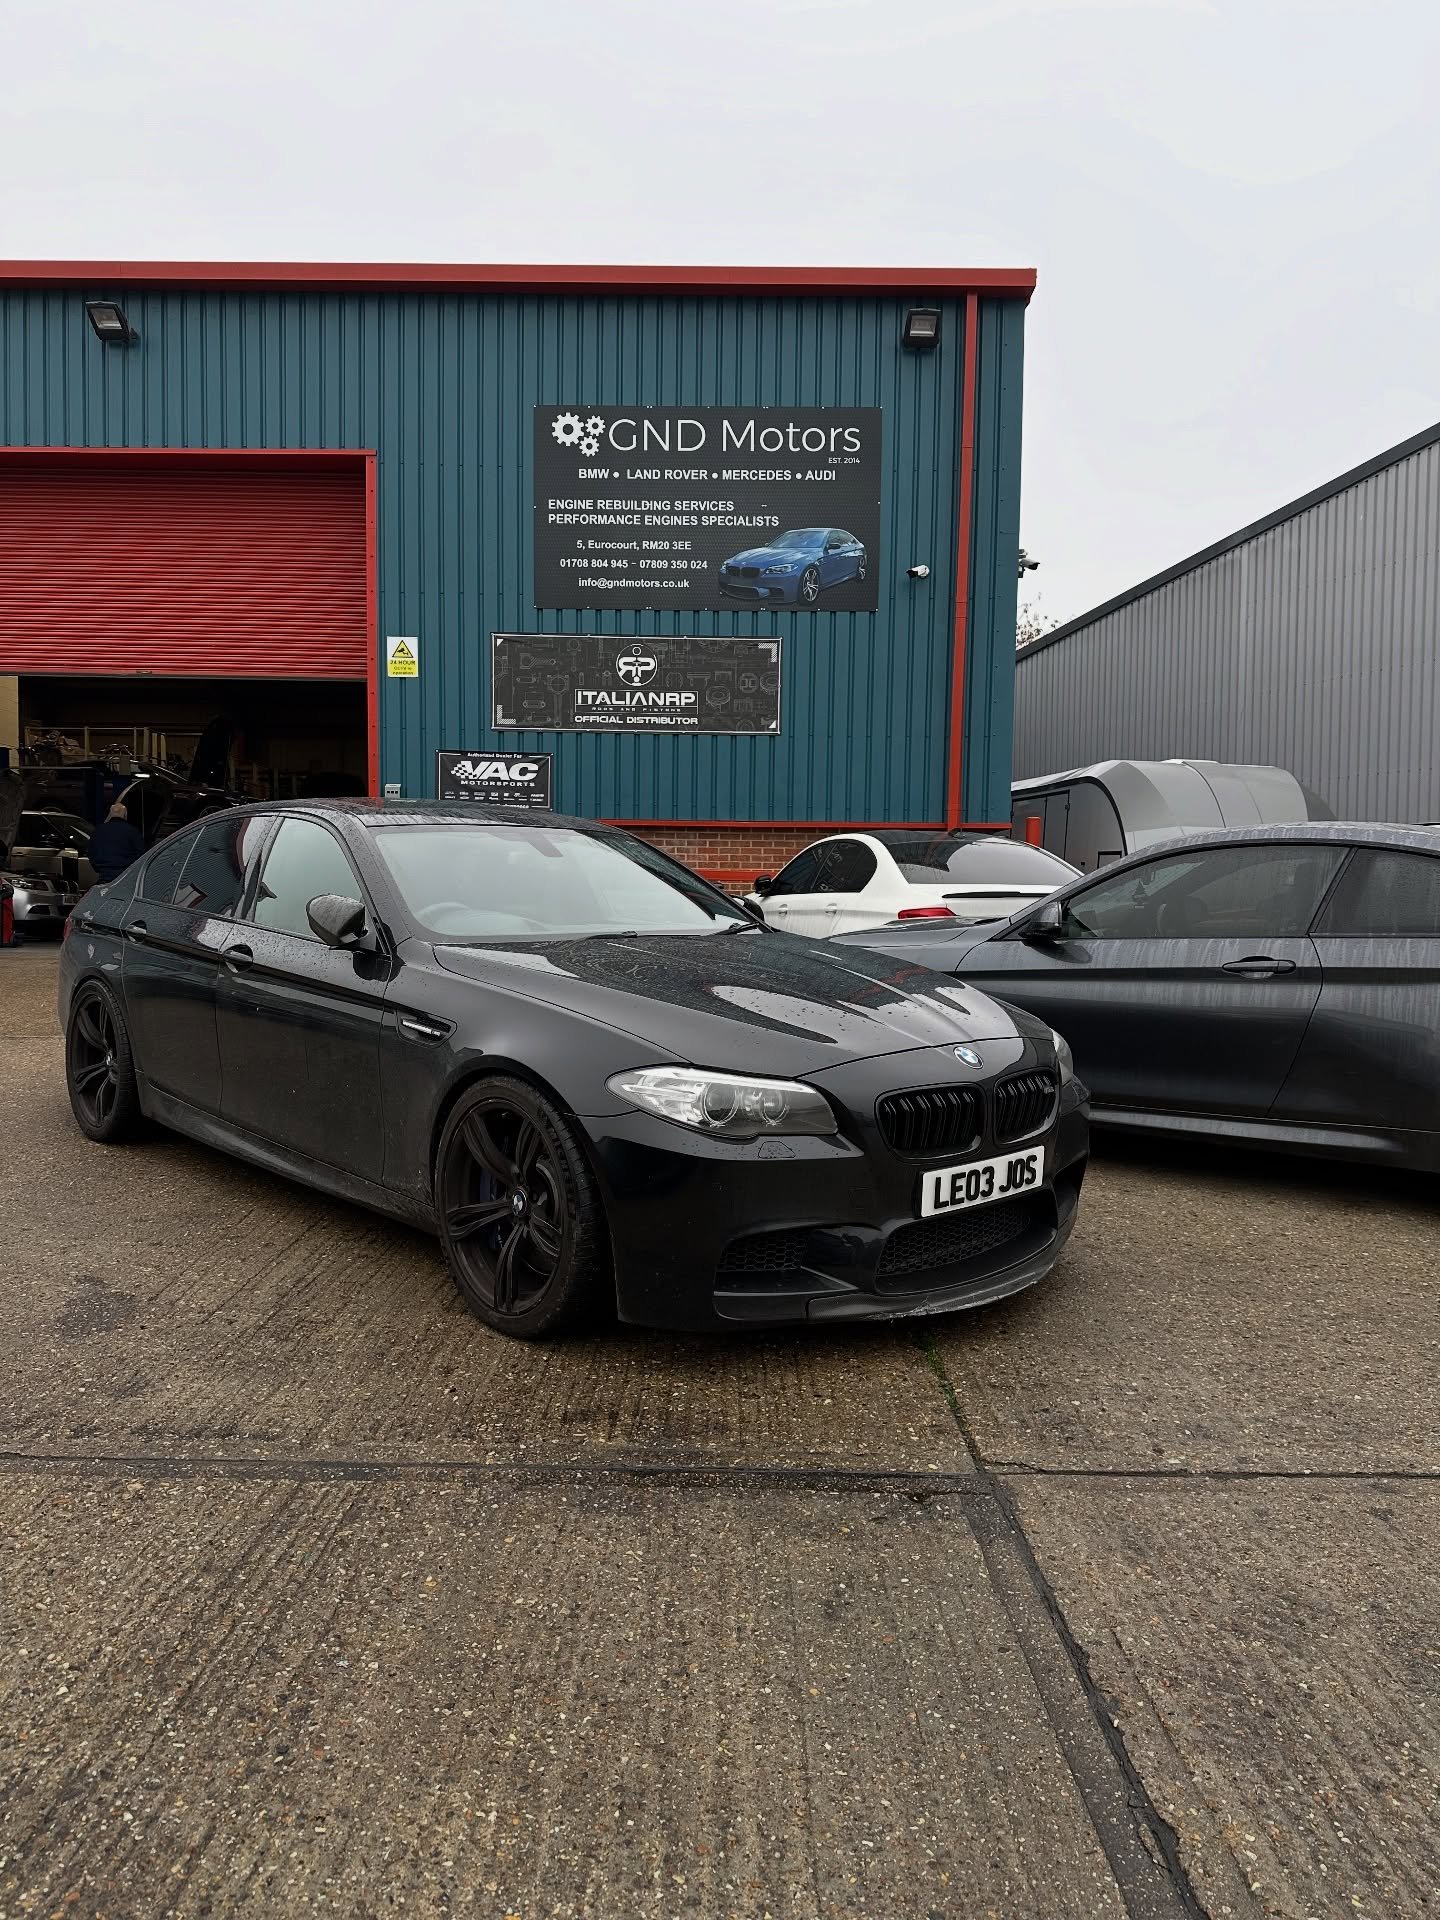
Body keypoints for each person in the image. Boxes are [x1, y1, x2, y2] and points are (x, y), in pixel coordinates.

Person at [85, 802, 146, 883]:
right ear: (125, 814)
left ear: (110, 814)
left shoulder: (98, 831)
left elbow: (91, 853)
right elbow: (142, 855)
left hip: (104, 877)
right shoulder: (132, 831)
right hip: (127, 877)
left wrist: (99, 868)